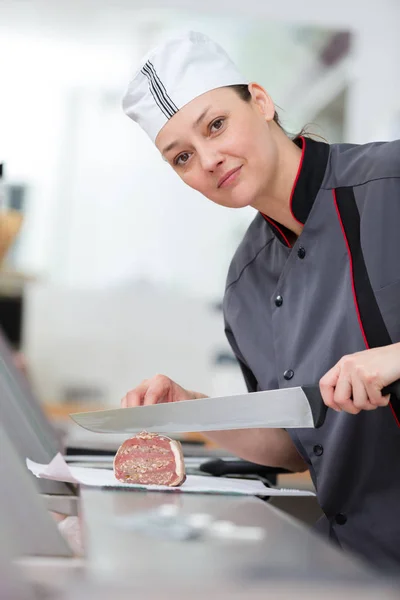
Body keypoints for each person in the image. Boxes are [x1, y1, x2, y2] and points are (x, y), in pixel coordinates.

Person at [121, 31, 400, 570]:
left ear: (261, 100)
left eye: (216, 125)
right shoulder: (244, 283)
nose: (208, 159)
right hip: (355, 561)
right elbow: (295, 446)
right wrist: (190, 407)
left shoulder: (390, 181)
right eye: (182, 156)